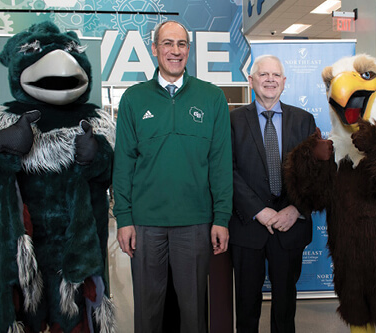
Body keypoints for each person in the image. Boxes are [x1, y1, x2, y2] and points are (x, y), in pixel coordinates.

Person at [112, 20, 232, 333]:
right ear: (155, 49)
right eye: (167, 43)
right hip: (145, 224)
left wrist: (221, 218)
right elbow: (123, 164)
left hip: (195, 222)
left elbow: (220, 163)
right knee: (148, 312)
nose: (174, 51)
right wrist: (123, 218)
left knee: (193, 313)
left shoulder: (212, 98)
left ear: (188, 50)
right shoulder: (133, 100)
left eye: (181, 44)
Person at [229, 54, 316, 333]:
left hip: (290, 227)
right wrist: (259, 210)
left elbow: (315, 174)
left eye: (275, 75)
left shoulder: (304, 120)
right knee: (246, 307)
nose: (269, 80)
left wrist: (296, 209)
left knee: (285, 308)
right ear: (250, 80)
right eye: (263, 74)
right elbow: (226, 172)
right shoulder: (232, 121)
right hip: (247, 227)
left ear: (284, 82)